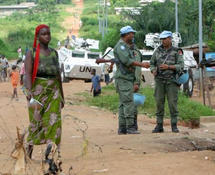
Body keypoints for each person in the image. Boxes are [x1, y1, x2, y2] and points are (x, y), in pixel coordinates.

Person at [24, 24, 64, 172]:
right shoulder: (32, 53)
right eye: (43, 34)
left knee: (54, 122)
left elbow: (58, 76)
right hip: (37, 90)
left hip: (53, 91)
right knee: (36, 122)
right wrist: (29, 91)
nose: (47, 36)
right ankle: (27, 152)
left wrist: (62, 95)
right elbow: (27, 73)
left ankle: (52, 154)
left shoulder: (54, 53)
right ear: (38, 37)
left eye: (48, 34)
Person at [96, 26, 150, 135]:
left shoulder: (125, 47)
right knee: (129, 102)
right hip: (124, 79)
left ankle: (122, 128)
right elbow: (127, 61)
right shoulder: (121, 47)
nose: (133, 35)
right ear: (125, 35)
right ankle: (130, 127)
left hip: (126, 78)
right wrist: (142, 64)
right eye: (131, 34)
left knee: (122, 104)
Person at [150, 31, 184, 133]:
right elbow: (152, 63)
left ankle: (174, 125)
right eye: (162, 39)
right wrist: (153, 70)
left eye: (165, 39)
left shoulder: (176, 51)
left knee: (172, 104)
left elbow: (181, 66)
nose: (163, 41)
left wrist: (168, 67)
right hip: (159, 81)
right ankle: (159, 125)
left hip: (171, 81)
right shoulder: (157, 50)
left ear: (170, 39)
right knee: (159, 103)